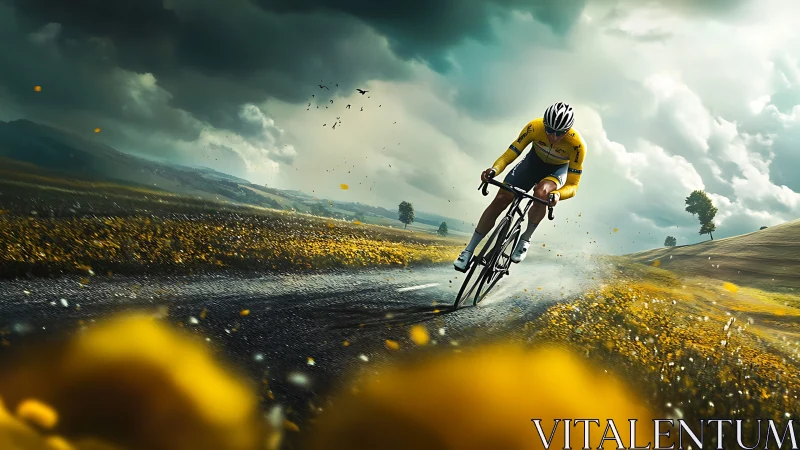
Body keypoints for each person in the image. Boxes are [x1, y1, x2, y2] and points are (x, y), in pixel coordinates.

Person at [454, 102, 587, 271]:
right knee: (502, 197)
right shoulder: (535, 127)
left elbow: (573, 185)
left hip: (556, 171)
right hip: (532, 163)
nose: (553, 136)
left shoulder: (577, 146)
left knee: (542, 192)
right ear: (544, 124)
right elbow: (511, 153)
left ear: (568, 130)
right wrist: (494, 170)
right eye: (549, 130)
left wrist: (558, 195)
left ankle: (525, 238)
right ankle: (468, 251)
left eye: (559, 133)